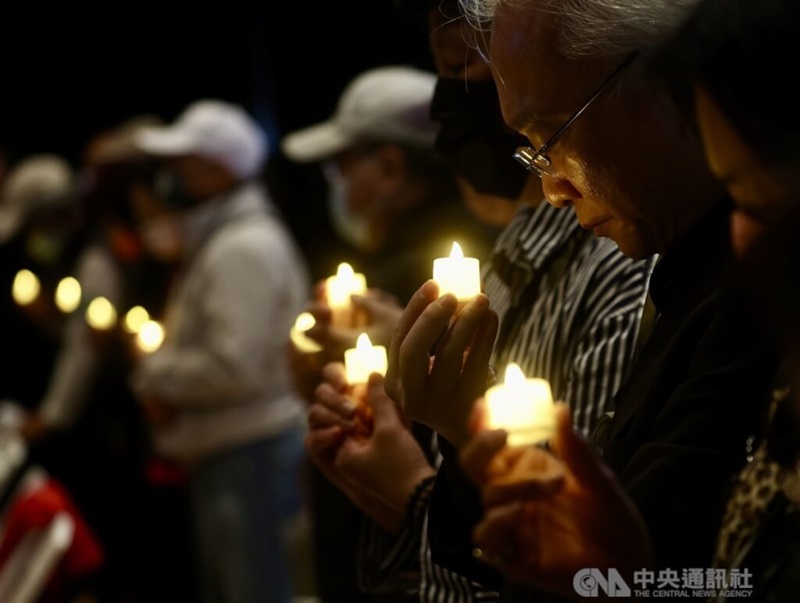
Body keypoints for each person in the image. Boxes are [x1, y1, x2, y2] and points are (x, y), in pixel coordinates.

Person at [377, 0, 782, 599]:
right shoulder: (684, 269)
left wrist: (417, 490)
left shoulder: (757, 285)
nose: (552, 189)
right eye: (531, 150)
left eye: (554, 134)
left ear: (668, 80)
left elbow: (672, 576)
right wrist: (473, 427)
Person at [305, 2, 654, 601]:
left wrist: (415, 491)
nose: (550, 183)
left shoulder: (626, 265)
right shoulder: (517, 254)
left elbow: (602, 571)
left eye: (460, 69)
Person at [129, 99, 312, 603]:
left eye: (185, 162)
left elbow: (233, 366)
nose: (172, 175)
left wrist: (152, 374)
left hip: (251, 456)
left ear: (217, 170)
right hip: (234, 452)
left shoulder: (242, 247)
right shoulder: (224, 239)